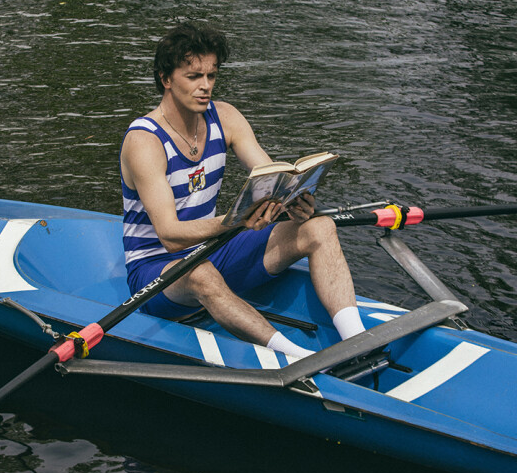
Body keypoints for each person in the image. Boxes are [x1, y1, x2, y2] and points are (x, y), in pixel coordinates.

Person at [119, 21, 369, 361]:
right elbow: (171, 237)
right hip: (156, 272)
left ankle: (358, 341)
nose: (205, 86)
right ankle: (295, 356)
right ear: (166, 79)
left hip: (209, 249)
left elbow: (273, 177)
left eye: (211, 75)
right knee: (201, 273)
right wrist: (236, 221)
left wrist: (293, 201)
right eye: (193, 77)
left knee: (320, 227)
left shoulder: (226, 118)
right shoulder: (145, 142)